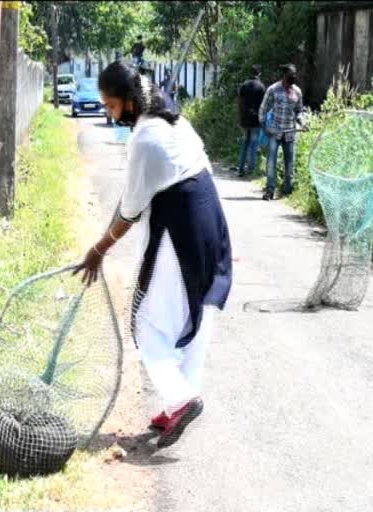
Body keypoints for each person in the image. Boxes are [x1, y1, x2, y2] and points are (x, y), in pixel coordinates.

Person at [75, 62, 233, 448]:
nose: (109, 114)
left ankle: (181, 398)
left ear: (129, 101)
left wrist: (99, 250)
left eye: (111, 106)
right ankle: (178, 399)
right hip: (210, 218)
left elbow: (128, 212)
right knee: (195, 311)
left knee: (145, 322)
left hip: (181, 228)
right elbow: (133, 200)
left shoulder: (145, 138)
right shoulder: (171, 117)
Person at [258, 63, 304, 200]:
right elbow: (263, 108)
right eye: (290, 76)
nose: (292, 79)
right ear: (284, 76)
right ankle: (270, 190)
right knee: (271, 162)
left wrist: (303, 122)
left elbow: (299, 111)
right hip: (275, 132)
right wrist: (263, 126)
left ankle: (288, 191)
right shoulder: (273, 89)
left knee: (290, 163)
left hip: (290, 132)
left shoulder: (297, 92)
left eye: (294, 76)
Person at [233, 65, 266, 177]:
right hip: (256, 120)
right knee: (254, 144)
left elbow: (239, 102)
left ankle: (241, 169)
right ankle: (251, 170)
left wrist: (240, 117)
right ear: (259, 74)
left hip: (245, 119)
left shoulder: (243, 86)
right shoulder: (261, 87)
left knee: (245, 144)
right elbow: (263, 106)